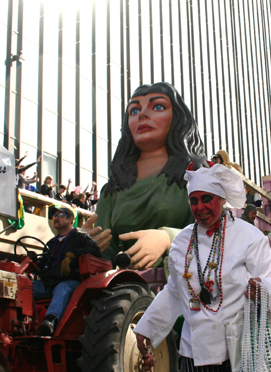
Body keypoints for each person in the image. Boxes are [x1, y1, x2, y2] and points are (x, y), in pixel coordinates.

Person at [133, 163, 271, 372]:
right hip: (198, 351)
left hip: (247, 350)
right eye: (194, 201)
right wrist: (147, 329)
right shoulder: (181, 242)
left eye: (207, 199)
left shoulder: (249, 237)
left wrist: (261, 288)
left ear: (221, 200)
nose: (200, 208)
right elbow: (175, 291)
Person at [93, 82, 206, 268]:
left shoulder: (197, 175)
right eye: (134, 111)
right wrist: (87, 244)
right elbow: (105, 251)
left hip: (185, 280)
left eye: (158, 107)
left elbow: (217, 233)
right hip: (126, 285)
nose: (143, 115)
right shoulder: (115, 186)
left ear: (177, 118)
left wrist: (168, 238)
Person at [32, 208, 102, 336]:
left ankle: (50, 321)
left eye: (60, 215)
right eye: (54, 215)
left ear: (70, 219)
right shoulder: (51, 243)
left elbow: (95, 250)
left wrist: (73, 254)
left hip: (70, 281)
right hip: (47, 283)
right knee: (23, 287)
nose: (56, 218)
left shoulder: (81, 237)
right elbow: (44, 264)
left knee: (63, 289)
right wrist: (34, 261)